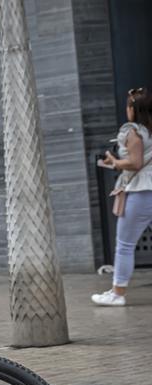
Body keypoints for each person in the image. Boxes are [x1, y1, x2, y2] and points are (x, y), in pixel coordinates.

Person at [93, 87, 152, 307]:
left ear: (132, 109)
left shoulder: (133, 131)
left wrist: (115, 162)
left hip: (140, 191)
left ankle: (117, 293)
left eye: (128, 105)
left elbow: (135, 163)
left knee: (125, 244)